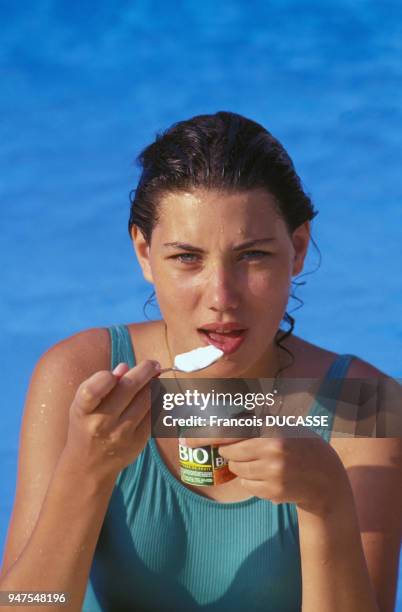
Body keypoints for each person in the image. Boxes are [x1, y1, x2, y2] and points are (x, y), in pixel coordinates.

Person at [0, 111, 401, 612]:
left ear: (297, 249)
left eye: (252, 255)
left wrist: (327, 501)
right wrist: (85, 472)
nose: (221, 297)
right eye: (187, 258)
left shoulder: (361, 406)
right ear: (144, 253)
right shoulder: (80, 377)